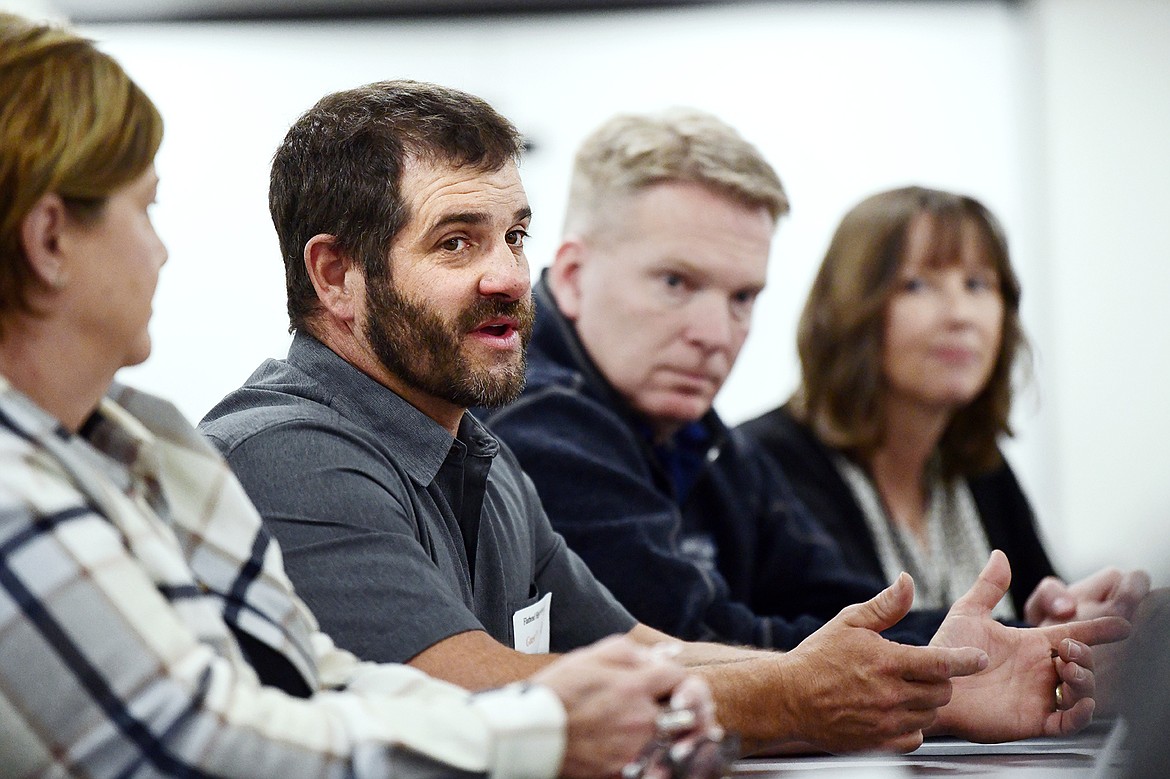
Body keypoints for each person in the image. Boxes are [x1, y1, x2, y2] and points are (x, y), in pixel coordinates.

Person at [200, 82, 1125, 755]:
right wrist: (802, 697)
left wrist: (924, 688)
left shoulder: (474, 446)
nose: (507, 277)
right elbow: (465, 689)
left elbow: (642, 645)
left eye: (513, 234)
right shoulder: (289, 449)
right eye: (457, 241)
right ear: (333, 276)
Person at [0, 13, 714, 779]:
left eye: (515, 236)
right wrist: (541, 728)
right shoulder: (28, 486)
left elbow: (323, 680)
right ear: (49, 240)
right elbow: (201, 746)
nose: (163, 249)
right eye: (147, 208)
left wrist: (771, 682)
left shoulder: (131, 446)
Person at [738, 185, 1149, 623]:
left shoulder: (979, 467)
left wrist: (1071, 618)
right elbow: (854, 649)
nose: (960, 315)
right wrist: (1026, 635)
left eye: (978, 284)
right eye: (918, 285)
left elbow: (1046, 616)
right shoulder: (767, 461)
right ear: (849, 307)